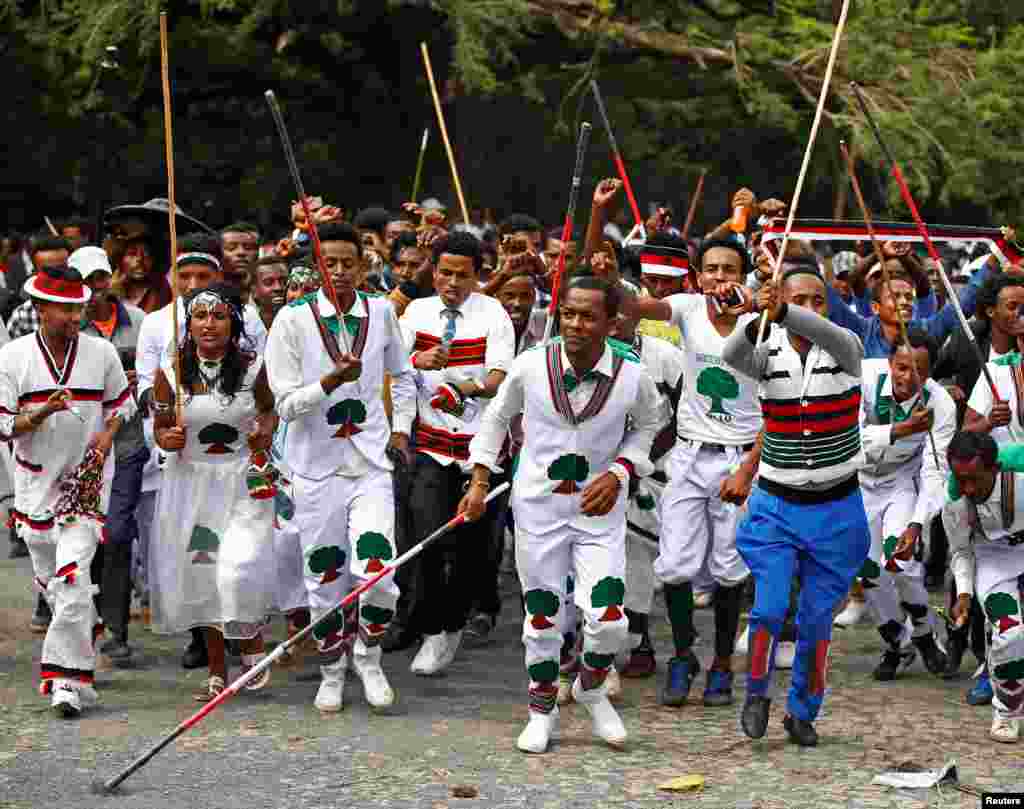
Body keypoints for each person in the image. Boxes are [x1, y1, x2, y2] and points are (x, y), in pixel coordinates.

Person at [461, 275, 662, 754]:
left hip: (599, 511)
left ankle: (590, 688)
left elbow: (650, 424)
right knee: (543, 617)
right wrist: (480, 481)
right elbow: (496, 418)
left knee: (609, 620)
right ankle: (541, 709)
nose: (575, 324)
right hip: (538, 508)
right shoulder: (531, 365)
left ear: (611, 323)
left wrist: (620, 471)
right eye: (568, 314)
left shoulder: (632, 374)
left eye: (588, 316)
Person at [265, 221, 415, 712]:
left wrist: (401, 430)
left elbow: (403, 375)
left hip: (370, 463)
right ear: (317, 267)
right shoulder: (291, 319)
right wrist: (329, 382)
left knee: (378, 570)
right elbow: (284, 405)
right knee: (324, 575)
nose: (340, 271)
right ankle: (332, 668)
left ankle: (368, 656)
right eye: (329, 264)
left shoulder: (381, 311)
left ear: (364, 265)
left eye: (349, 263)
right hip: (315, 467)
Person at [722, 258, 869, 747]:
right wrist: (756, 316)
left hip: (837, 510)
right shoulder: (767, 351)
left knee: (816, 621)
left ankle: (803, 710)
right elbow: (731, 353)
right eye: (797, 299)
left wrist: (785, 310)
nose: (809, 308)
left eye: (817, 301)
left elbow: (818, 328)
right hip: (776, 508)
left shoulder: (847, 347)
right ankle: (756, 692)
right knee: (767, 609)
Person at [625, 236, 760, 708]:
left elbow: (776, 407)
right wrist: (602, 262)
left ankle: (722, 663)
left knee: (728, 568)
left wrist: (748, 470)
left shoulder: (763, 323)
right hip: (687, 456)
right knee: (676, 566)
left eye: (729, 269)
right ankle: (683, 656)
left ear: (743, 276)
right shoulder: (686, 308)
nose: (720, 278)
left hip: (739, 460)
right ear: (698, 277)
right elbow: (631, 305)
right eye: (711, 269)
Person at [0, 264, 133, 717]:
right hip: (35, 485)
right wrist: (41, 413)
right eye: (64, 309)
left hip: (86, 485)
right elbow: (4, 425)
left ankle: (66, 682)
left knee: (73, 579)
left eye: (79, 309)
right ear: (40, 308)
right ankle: (84, 633)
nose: (75, 317)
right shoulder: (13, 357)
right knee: (56, 587)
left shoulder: (101, 352)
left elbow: (121, 405)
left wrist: (106, 438)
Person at [150, 284, 277, 701]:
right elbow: (160, 426)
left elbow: (269, 411)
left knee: (238, 565)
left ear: (233, 323)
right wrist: (167, 438)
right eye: (201, 316)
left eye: (219, 316)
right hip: (192, 486)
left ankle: (251, 637)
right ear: (188, 324)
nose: (209, 324)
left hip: (240, 483)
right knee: (204, 576)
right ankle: (218, 671)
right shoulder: (171, 372)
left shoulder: (254, 368)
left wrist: (263, 434)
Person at [398, 231, 515, 676]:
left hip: (478, 449)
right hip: (431, 445)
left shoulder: (493, 314)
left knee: (470, 547)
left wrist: (463, 388)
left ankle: (452, 625)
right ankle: (431, 627)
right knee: (426, 539)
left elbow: (500, 378)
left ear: (477, 276)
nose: (451, 282)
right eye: (444, 272)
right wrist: (416, 361)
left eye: (461, 275)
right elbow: (391, 365)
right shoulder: (417, 312)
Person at [136, 235, 225, 670]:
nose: (192, 285)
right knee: (192, 546)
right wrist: (166, 415)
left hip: (229, 453)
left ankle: (235, 628)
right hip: (180, 450)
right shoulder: (156, 323)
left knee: (230, 546)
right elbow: (144, 384)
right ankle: (199, 632)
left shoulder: (239, 318)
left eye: (202, 276)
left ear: (217, 277)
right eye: (184, 276)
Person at [858, 328, 955, 680]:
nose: (907, 378)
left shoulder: (940, 404)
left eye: (918, 371)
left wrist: (917, 523)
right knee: (868, 571)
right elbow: (848, 440)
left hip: (902, 482)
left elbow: (935, 470)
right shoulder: (864, 378)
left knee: (898, 559)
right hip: (859, 482)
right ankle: (897, 643)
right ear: (889, 362)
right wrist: (898, 430)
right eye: (901, 367)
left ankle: (926, 633)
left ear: (929, 373)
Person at [71, 247, 148, 662]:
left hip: (128, 446)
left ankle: (116, 630)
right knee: (85, 537)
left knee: (116, 533)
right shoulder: (71, 328)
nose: (94, 288)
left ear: (110, 277)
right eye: (85, 282)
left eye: (99, 278)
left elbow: (160, 374)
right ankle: (85, 622)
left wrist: (142, 380)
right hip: (81, 450)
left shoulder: (141, 321)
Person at [943, 432, 1024, 742]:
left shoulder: (1019, 477)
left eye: (974, 479)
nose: (968, 488)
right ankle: (1007, 712)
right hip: (993, 560)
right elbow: (961, 551)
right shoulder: (955, 500)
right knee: (1009, 632)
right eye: (960, 479)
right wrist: (964, 593)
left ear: (995, 468)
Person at [7, 236, 72, 338]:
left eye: (60, 269)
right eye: (46, 271)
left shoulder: (88, 310)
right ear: (35, 273)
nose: (54, 277)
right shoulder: (22, 317)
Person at [245, 256, 288, 355]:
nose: (278, 288)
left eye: (284, 282)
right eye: (268, 282)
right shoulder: (245, 330)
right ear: (254, 291)